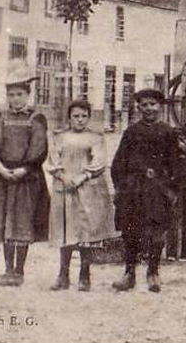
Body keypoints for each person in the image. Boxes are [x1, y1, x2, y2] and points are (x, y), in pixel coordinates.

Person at [0, 60, 49, 286]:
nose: (16, 99)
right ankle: (8, 268)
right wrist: (0, 168)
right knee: (4, 221)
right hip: (2, 177)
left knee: (22, 221)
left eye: (20, 94)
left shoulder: (35, 118)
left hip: (26, 177)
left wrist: (22, 169)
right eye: (12, 95)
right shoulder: (1, 117)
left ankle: (20, 270)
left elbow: (38, 147)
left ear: (27, 95)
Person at [110, 88, 179, 293]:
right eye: (144, 105)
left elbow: (175, 164)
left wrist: (171, 188)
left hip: (158, 189)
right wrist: (120, 187)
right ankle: (129, 272)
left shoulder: (168, 132)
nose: (149, 108)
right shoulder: (131, 132)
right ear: (138, 107)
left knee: (157, 232)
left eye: (153, 104)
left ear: (160, 106)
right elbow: (119, 162)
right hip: (134, 190)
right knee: (130, 231)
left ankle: (153, 272)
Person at [47, 99, 117, 291]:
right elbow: (53, 160)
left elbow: (99, 161)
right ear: (69, 118)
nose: (80, 119)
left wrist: (82, 176)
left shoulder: (96, 137)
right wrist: (63, 176)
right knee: (65, 230)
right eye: (76, 116)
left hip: (88, 188)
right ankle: (63, 275)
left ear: (89, 117)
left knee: (86, 231)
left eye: (84, 116)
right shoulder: (59, 137)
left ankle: (84, 275)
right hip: (65, 188)